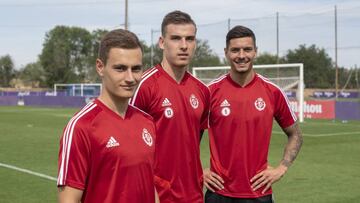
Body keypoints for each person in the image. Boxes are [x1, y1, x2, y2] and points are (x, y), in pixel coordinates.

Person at [203, 25, 303, 203]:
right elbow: (187, 137)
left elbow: (295, 134)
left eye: (247, 49)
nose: (241, 56)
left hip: (259, 193)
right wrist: (199, 170)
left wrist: (281, 168)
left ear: (256, 51)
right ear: (226, 52)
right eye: (235, 50)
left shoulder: (273, 92)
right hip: (218, 193)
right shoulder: (209, 92)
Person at [57, 29, 158, 203]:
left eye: (136, 69)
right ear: (100, 67)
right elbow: (68, 199)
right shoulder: (82, 126)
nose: (130, 78)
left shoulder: (147, 121)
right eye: (120, 68)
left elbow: (150, 184)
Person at [130, 10, 210, 203]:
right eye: (176, 38)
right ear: (162, 42)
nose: (184, 46)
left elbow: (193, 141)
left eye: (190, 39)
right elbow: (130, 147)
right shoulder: (145, 86)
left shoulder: (202, 91)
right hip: (156, 195)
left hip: (194, 195)